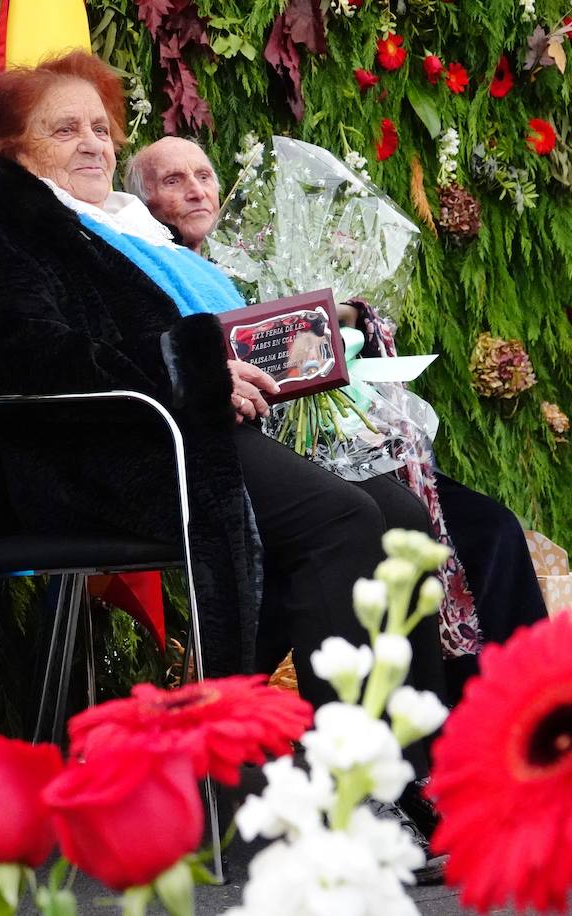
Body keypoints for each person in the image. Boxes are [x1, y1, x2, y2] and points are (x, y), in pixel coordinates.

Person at [0, 52, 446, 869]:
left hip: (193, 432)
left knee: (405, 522)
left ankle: (401, 773)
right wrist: (195, 367)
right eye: (64, 129)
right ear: (9, 149)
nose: (94, 144)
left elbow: (217, 334)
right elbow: (31, 355)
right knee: (340, 520)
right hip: (106, 455)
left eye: (101, 127)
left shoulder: (134, 228)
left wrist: (297, 344)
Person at [129, 136, 550, 701]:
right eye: (172, 181)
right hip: (271, 455)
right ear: (141, 201)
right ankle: (374, 733)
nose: (196, 190)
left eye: (203, 175)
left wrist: (345, 316)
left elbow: (332, 342)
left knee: (490, 528)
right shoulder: (155, 271)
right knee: (372, 525)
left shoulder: (248, 261)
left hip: (346, 445)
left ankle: (507, 712)